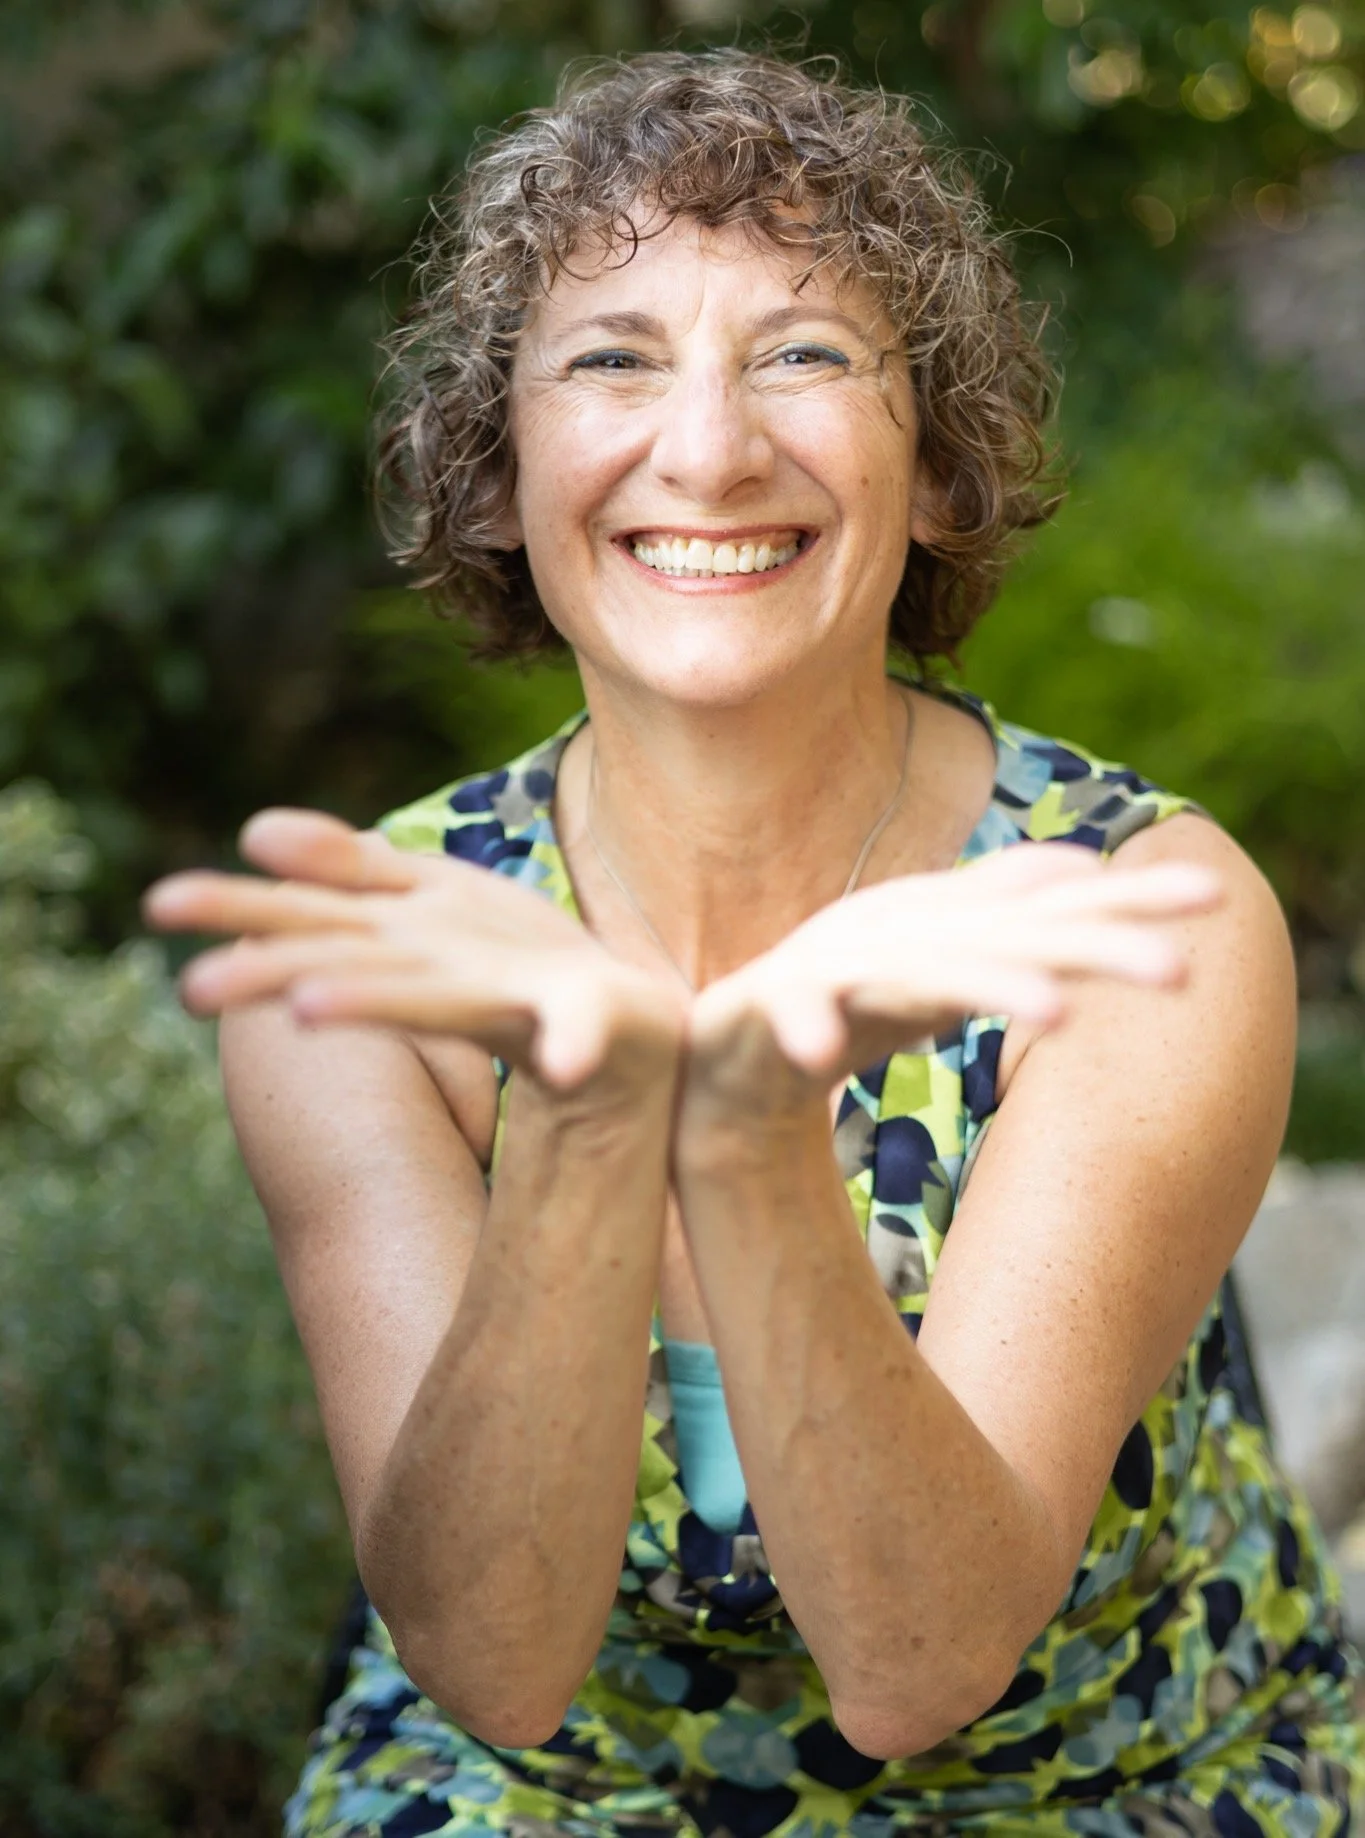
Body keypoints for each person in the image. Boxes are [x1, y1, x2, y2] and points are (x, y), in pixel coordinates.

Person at [145, 49, 1363, 1838]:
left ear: (940, 469)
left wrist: (739, 1128)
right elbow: (491, 1657)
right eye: (613, 359)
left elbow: (919, 1659)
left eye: (803, 352)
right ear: (494, 479)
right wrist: (583, 1106)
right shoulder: (395, 961)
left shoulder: (1127, 911)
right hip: (551, 1793)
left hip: (1094, 1775)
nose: (707, 450)